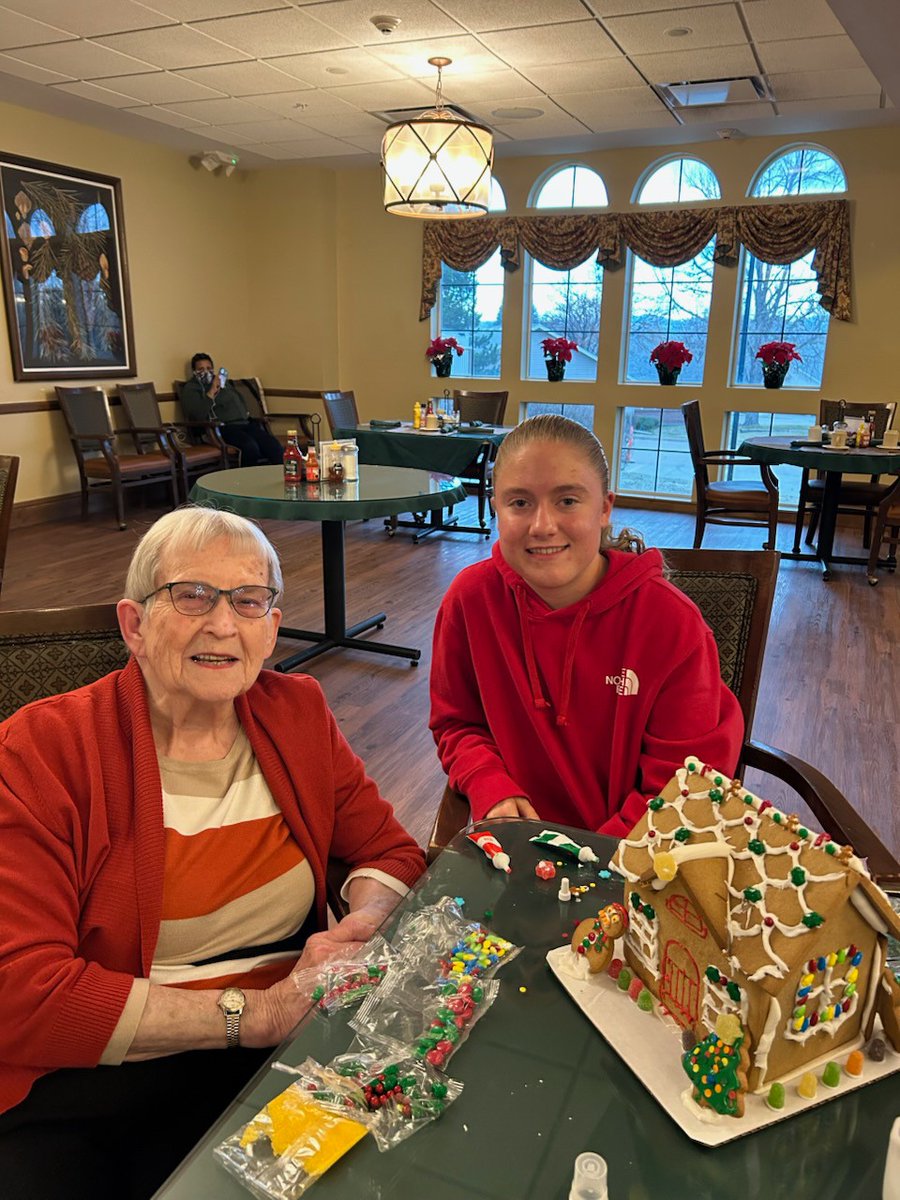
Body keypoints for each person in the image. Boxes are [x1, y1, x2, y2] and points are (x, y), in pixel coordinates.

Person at [0, 508, 425, 1200]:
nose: (224, 624)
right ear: (135, 625)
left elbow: (387, 850)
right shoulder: (42, 751)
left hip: (291, 1056)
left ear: (271, 628)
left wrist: (361, 926)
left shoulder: (297, 712)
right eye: (192, 595)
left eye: (249, 601)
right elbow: (19, 990)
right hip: (101, 1076)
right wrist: (255, 1015)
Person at [429, 414, 743, 838]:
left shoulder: (672, 624)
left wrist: (588, 860)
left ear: (605, 508)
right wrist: (487, 781)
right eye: (519, 503)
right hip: (514, 851)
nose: (542, 526)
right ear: (495, 507)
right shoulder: (470, 600)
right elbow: (457, 723)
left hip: (636, 857)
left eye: (567, 501)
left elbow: (681, 789)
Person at [180, 352, 284, 466]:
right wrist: (211, 392)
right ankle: (248, 477)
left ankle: (282, 474)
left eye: (209, 368)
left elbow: (238, 401)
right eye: (201, 369)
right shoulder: (191, 388)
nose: (206, 372)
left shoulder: (223, 383)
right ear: (194, 372)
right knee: (250, 446)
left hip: (244, 424)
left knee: (272, 445)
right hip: (223, 427)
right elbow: (196, 414)